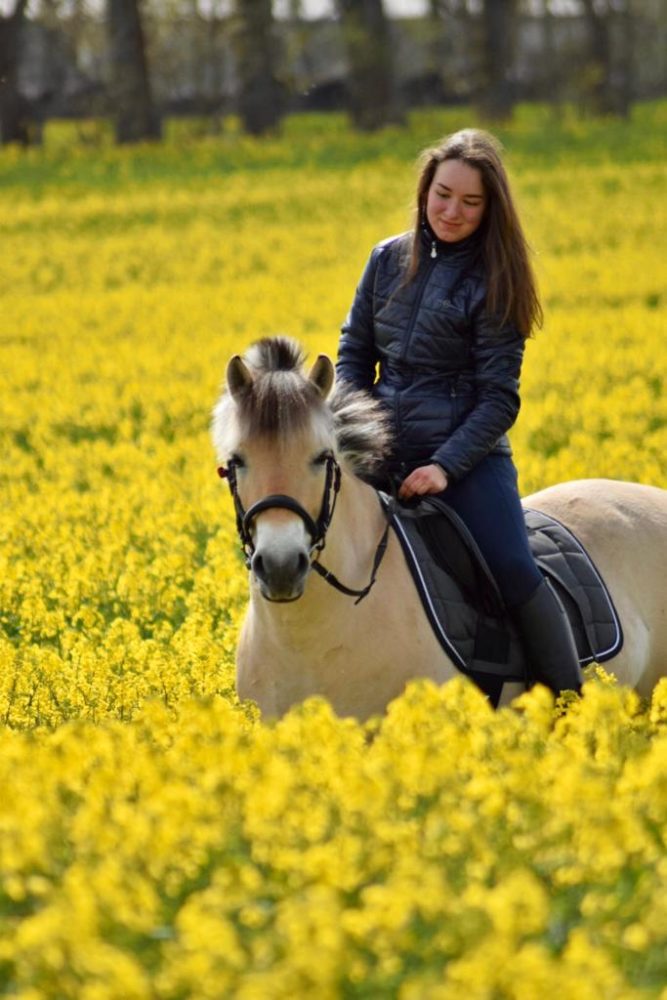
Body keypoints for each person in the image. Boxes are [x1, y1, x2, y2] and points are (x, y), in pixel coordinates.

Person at [336, 128, 582, 695]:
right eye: (443, 194)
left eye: (470, 203)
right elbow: (354, 355)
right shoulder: (385, 258)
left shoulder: (497, 280)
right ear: (425, 190)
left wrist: (444, 466)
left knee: (515, 571)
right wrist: (357, 436)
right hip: (379, 451)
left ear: (491, 208)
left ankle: (568, 702)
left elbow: (498, 399)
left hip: (466, 461)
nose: (452, 211)